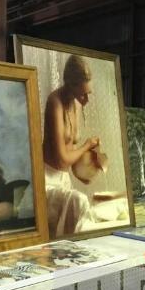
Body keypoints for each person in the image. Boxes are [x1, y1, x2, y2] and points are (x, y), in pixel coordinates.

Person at [43, 54, 100, 237]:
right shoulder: (55, 102)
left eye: (88, 93)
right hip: (47, 180)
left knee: (92, 207)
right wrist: (86, 145)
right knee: (79, 201)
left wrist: (87, 168)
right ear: (70, 85)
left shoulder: (76, 104)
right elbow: (61, 160)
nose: (86, 100)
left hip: (64, 179)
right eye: (83, 94)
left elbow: (70, 156)